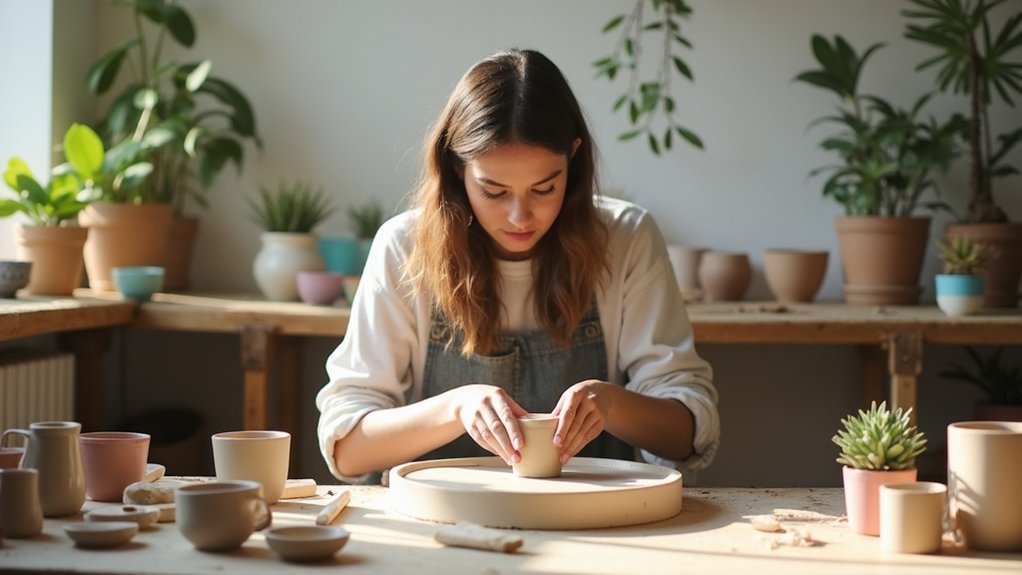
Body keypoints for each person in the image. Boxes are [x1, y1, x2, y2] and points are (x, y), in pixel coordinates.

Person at [316, 48, 719, 483]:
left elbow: (687, 437)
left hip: (595, 524)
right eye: (493, 191)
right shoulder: (404, 247)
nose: (519, 217)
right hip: (443, 527)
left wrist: (612, 404)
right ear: (456, 169)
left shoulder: (625, 238)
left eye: (545, 188)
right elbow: (348, 450)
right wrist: (456, 407)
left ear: (574, 160)